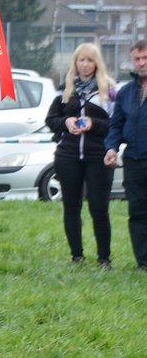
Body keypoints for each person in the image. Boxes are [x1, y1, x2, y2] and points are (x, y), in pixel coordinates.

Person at [46, 43, 115, 267]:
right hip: (68, 156)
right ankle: (77, 255)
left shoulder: (110, 91)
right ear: (75, 63)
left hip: (98, 157)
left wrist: (93, 124)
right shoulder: (64, 90)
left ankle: (104, 258)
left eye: (89, 60)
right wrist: (65, 122)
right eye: (81, 60)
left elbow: (114, 124)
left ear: (97, 63)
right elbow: (51, 120)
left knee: (99, 207)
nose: (85, 65)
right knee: (71, 206)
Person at [105, 38, 147, 270]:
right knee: (137, 211)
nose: (141, 63)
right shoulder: (126, 92)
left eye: (145, 58)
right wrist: (111, 148)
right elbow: (116, 125)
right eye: (137, 59)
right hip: (133, 160)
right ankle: (143, 261)